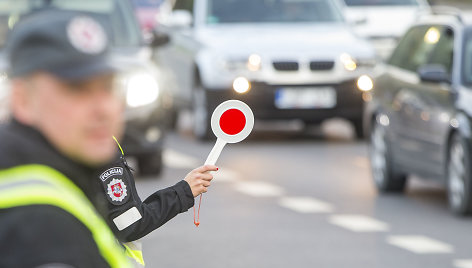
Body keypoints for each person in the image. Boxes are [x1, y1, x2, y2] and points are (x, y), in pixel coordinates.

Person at [0, 9, 216, 268]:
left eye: (108, 87)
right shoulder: (41, 227)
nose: (103, 108)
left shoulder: (57, 172)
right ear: (23, 100)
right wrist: (182, 193)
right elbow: (130, 224)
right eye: (77, 90)